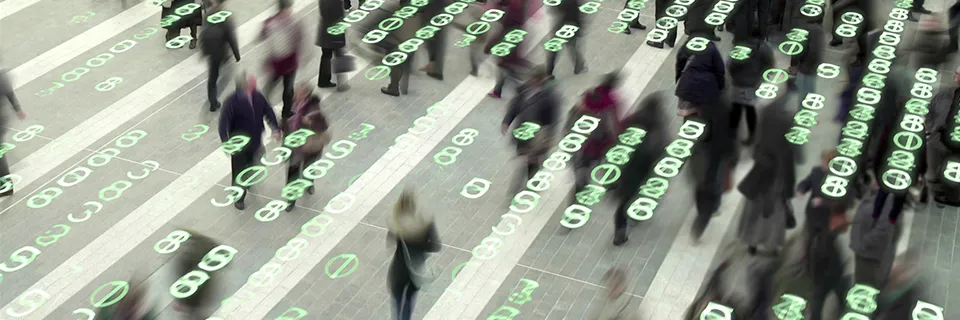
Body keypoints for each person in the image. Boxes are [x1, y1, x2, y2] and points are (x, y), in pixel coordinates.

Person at [735, 95, 798, 255]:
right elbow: (789, 166)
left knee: (753, 211)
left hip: (759, 177)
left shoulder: (764, 121)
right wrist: (789, 190)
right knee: (774, 215)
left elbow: (755, 146)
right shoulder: (786, 146)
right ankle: (771, 245)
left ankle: (751, 242)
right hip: (776, 182)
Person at [611, 93, 669, 246]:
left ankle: (620, 231)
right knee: (642, 192)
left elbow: (620, 135)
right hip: (646, 168)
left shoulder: (635, 119)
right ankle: (636, 215)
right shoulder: (658, 124)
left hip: (628, 166)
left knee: (625, 200)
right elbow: (662, 146)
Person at [218, 73, 282, 210]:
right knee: (239, 170)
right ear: (245, 85)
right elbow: (223, 123)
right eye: (253, 83)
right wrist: (225, 141)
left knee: (254, 162)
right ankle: (239, 197)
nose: (256, 84)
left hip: (255, 139)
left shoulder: (257, 96)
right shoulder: (231, 102)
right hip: (239, 144)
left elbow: (268, 111)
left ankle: (247, 181)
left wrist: (275, 128)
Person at [501, 68, 560, 191]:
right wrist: (507, 121)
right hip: (522, 133)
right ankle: (519, 187)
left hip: (538, 136)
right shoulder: (525, 90)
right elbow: (515, 106)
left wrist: (549, 138)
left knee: (532, 163)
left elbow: (553, 120)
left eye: (533, 80)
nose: (530, 82)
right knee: (522, 160)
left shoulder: (550, 97)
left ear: (539, 81)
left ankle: (530, 184)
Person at [387, 190, 441, 320]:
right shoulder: (426, 222)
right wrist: (421, 247)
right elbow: (436, 246)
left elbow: (390, 241)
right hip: (415, 271)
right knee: (409, 300)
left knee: (397, 302)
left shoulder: (397, 223)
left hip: (398, 270)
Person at [570, 73, 622, 203]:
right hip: (601, 142)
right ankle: (609, 184)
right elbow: (613, 124)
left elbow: (578, 110)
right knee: (605, 162)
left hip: (585, 141)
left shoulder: (589, 94)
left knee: (583, 168)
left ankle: (577, 195)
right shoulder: (611, 102)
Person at [284, 83, 330, 211]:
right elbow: (285, 121)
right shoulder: (292, 105)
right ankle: (291, 199)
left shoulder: (314, 109)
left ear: (307, 95)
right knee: (293, 172)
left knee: (308, 168)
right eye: (297, 92)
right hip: (294, 146)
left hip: (309, 147)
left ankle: (309, 182)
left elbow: (324, 126)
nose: (297, 95)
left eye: (301, 93)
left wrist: (310, 122)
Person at [259, 0, 305, 119]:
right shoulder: (289, 22)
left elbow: (300, 39)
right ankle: (262, 107)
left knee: (287, 90)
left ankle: (286, 111)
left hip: (287, 64)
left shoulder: (275, 22)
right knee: (274, 88)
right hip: (281, 63)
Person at [726, 32, 773, 144]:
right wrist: (760, 79)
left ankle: (732, 135)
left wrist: (733, 77)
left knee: (735, 109)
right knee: (750, 110)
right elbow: (769, 66)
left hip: (738, 83)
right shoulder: (764, 48)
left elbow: (731, 65)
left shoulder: (740, 47)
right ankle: (751, 136)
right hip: (752, 85)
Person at [849, 192, 901, 289]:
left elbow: (883, 230)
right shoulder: (876, 191)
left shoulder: (890, 200)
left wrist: (863, 244)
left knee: (864, 290)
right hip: (865, 254)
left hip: (870, 257)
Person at [199, 0, 241, 112]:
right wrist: (236, 54)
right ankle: (214, 98)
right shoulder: (226, 17)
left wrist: (203, 51)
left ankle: (213, 102)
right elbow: (231, 37)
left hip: (211, 52)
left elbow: (203, 34)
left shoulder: (208, 15)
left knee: (212, 77)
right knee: (225, 76)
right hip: (221, 52)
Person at [487, 0, 530, 99]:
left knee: (506, 68)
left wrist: (490, 45)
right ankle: (498, 90)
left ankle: (519, 89)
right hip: (513, 42)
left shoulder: (513, 13)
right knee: (505, 67)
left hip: (507, 44)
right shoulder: (520, 8)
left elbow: (503, 30)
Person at [171, 231, 219, 319]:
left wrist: (180, 300)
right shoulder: (206, 257)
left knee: (193, 310)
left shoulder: (186, 259)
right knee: (196, 310)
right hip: (200, 294)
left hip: (193, 294)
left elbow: (181, 278)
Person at [674, 38, 725, 118]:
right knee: (704, 115)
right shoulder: (712, 48)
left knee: (688, 116)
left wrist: (678, 79)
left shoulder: (688, 44)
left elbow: (680, 62)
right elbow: (720, 70)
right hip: (706, 88)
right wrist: (721, 87)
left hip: (687, 86)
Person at [0, 69, 25, 198]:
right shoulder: (2, 76)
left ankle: (6, 186)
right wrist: (17, 109)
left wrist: (17, 109)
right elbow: (10, 93)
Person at [317, 0, 352, 90]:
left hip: (324, 30)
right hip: (335, 32)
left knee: (326, 56)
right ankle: (342, 84)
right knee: (339, 56)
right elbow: (338, 15)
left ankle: (323, 80)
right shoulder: (335, 1)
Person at [545, 0, 585, 77]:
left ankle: (549, 71)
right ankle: (579, 65)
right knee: (571, 47)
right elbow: (579, 15)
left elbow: (555, 10)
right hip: (571, 26)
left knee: (555, 50)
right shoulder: (574, 3)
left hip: (563, 27)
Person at [418, 0, 449, 80]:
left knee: (433, 39)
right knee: (434, 39)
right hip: (437, 9)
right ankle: (433, 65)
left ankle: (436, 69)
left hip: (433, 10)